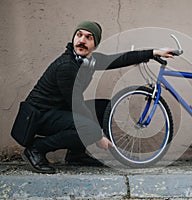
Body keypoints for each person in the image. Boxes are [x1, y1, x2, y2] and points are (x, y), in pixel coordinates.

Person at [20, 21, 174, 174]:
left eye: (88, 37)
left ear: (95, 44)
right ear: (73, 38)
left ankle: (76, 154)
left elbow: (120, 59)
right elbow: (77, 105)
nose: (82, 41)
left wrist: (154, 53)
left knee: (104, 108)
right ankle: (36, 149)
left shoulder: (89, 61)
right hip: (40, 116)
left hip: (58, 111)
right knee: (87, 128)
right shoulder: (66, 66)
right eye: (79, 35)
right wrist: (97, 136)